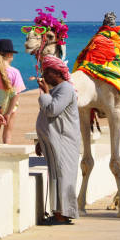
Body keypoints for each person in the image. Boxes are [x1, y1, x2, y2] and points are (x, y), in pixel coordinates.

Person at [35, 55, 80, 224]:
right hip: (55, 142)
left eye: (47, 71)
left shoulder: (66, 89)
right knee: (56, 175)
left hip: (64, 142)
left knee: (63, 176)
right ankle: (58, 213)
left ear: (56, 72)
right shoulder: (58, 90)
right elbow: (50, 118)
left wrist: (45, 93)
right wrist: (41, 141)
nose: (44, 74)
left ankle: (62, 214)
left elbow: (52, 110)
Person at [0, 39, 26, 144]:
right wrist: (7, 113)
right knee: (7, 135)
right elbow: (16, 95)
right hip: (11, 110)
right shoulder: (15, 72)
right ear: (9, 55)